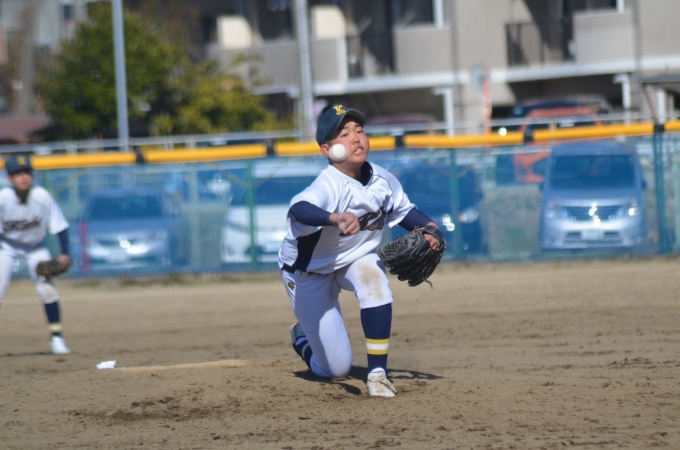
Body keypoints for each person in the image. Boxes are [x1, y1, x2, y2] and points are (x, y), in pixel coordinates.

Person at [279, 104, 441, 397]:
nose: (355, 138)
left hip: (354, 259)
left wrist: (430, 228)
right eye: (344, 134)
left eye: (359, 130)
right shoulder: (329, 185)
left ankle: (377, 374)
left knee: (374, 280)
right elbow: (299, 208)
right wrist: (334, 218)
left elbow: (404, 212)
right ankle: (302, 338)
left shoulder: (382, 179)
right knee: (335, 369)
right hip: (308, 273)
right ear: (327, 150)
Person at [0, 155, 72, 355]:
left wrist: (65, 253)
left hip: (35, 246)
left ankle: (57, 339)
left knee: (48, 290)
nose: (24, 177)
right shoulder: (3, 199)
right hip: (7, 246)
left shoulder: (42, 196)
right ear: (9, 178)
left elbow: (60, 226)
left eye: (27, 173)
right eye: (18, 173)